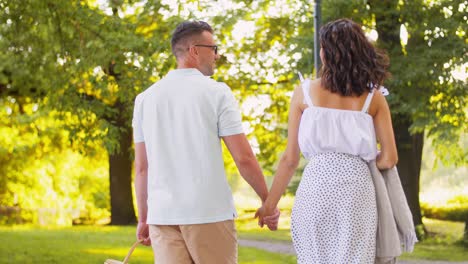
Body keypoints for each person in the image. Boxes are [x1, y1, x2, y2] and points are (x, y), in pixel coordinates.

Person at [132, 20, 279, 264]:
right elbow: (243, 158)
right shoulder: (217, 92)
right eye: (214, 48)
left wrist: (144, 218)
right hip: (208, 213)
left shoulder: (145, 99)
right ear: (194, 50)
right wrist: (268, 201)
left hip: (163, 216)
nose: (217, 56)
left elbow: (141, 168)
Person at [256, 18, 398, 263]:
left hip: (316, 187)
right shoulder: (373, 98)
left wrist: (270, 206)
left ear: (325, 54)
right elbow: (390, 158)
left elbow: (290, 159)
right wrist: (362, 158)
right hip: (356, 191)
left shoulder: (304, 93)